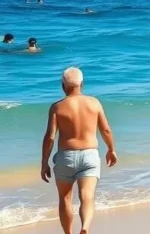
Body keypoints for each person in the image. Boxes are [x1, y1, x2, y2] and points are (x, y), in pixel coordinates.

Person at [40, 67, 118, 234]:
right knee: (87, 197)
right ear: (82, 84)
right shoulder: (94, 103)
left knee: (65, 198)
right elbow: (106, 130)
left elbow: (50, 137)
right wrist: (111, 149)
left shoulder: (57, 107)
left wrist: (44, 163)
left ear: (63, 86)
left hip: (65, 158)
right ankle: (84, 228)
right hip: (89, 156)